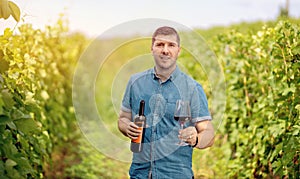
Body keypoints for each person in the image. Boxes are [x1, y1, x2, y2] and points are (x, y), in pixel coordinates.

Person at [118, 26, 214, 179]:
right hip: (140, 174)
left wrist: (196, 139)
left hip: (176, 174)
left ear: (178, 50)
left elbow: (209, 134)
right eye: (160, 45)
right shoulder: (135, 82)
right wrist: (126, 127)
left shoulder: (192, 88)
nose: (165, 50)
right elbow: (123, 118)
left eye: (171, 45)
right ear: (152, 49)